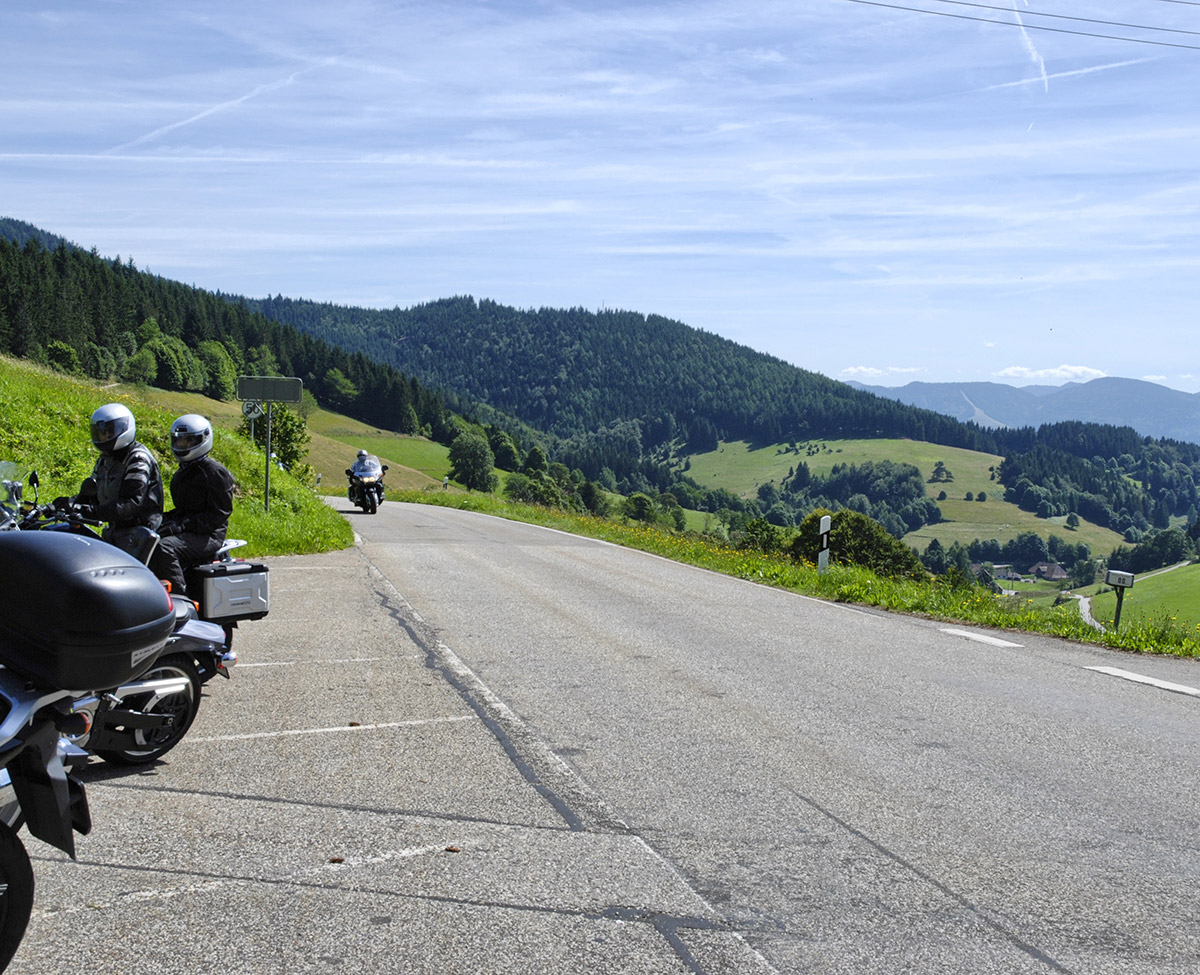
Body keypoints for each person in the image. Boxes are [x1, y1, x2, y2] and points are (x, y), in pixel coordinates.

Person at [149, 414, 235, 595]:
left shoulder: (214, 472)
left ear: (203, 438)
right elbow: (184, 510)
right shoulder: (182, 472)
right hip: (190, 531)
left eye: (189, 440)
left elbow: (219, 514)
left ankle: (180, 599)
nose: (183, 445)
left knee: (165, 548)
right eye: (179, 441)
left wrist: (182, 525)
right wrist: (160, 520)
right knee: (147, 538)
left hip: (210, 535)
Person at [68, 402, 164, 554]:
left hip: (138, 534)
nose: (105, 436)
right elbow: (92, 492)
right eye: (101, 432)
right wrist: (69, 503)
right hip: (114, 530)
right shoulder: (105, 458)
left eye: (110, 431)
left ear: (125, 428)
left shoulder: (138, 458)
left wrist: (90, 511)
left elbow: (130, 504)